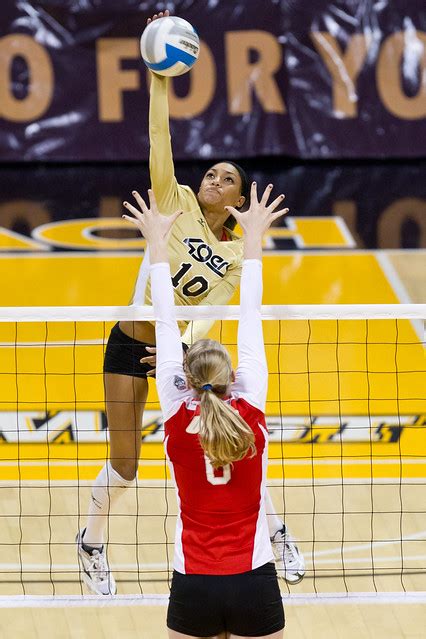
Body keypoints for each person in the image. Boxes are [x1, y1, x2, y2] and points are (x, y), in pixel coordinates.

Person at [76, 10, 304, 596]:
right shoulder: (171, 199)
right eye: (211, 173)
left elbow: (212, 313)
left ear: (237, 200)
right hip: (132, 343)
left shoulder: (231, 257)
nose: (214, 178)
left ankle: (276, 536)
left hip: (182, 353)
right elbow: (160, 138)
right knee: (125, 464)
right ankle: (92, 541)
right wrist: (158, 77)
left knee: (231, 434)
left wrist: (179, 353)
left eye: (228, 178)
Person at [135, 184, 286, 638]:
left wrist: (156, 243)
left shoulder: (177, 417)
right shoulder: (251, 411)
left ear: (185, 375)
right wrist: (254, 238)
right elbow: (250, 314)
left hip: (193, 584)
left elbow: (164, 319)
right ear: (232, 376)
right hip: (253, 581)